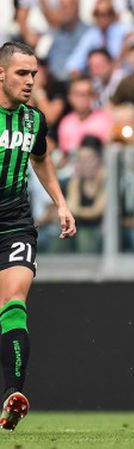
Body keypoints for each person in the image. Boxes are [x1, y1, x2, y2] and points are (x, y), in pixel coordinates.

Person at [0, 41, 77, 430]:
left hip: (14, 222)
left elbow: (41, 158)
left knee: (14, 302)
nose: (30, 81)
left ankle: (12, 397)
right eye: (21, 74)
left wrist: (61, 203)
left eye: (33, 74)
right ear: (1, 74)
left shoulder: (33, 121)